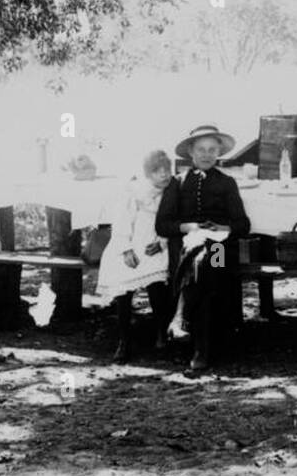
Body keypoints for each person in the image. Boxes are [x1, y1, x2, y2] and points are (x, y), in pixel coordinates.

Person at [155, 124, 251, 374]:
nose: (207, 155)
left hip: (220, 248)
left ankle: (192, 332)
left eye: (212, 150)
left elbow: (242, 224)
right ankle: (200, 347)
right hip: (186, 246)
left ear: (219, 152)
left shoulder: (227, 183)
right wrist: (189, 227)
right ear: (191, 152)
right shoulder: (177, 183)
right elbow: (163, 225)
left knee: (209, 265)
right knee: (200, 265)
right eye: (201, 150)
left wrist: (221, 227)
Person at [96, 149, 174, 362]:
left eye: (167, 170)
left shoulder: (172, 191)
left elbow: (172, 223)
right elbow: (122, 222)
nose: (164, 175)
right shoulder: (134, 191)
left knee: (158, 284)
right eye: (158, 171)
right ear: (148, 174)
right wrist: (126, 249)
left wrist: (162, 242)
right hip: (130, 242)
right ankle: (124, 339)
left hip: (156, 244)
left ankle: (161, 332)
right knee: (123, 285)